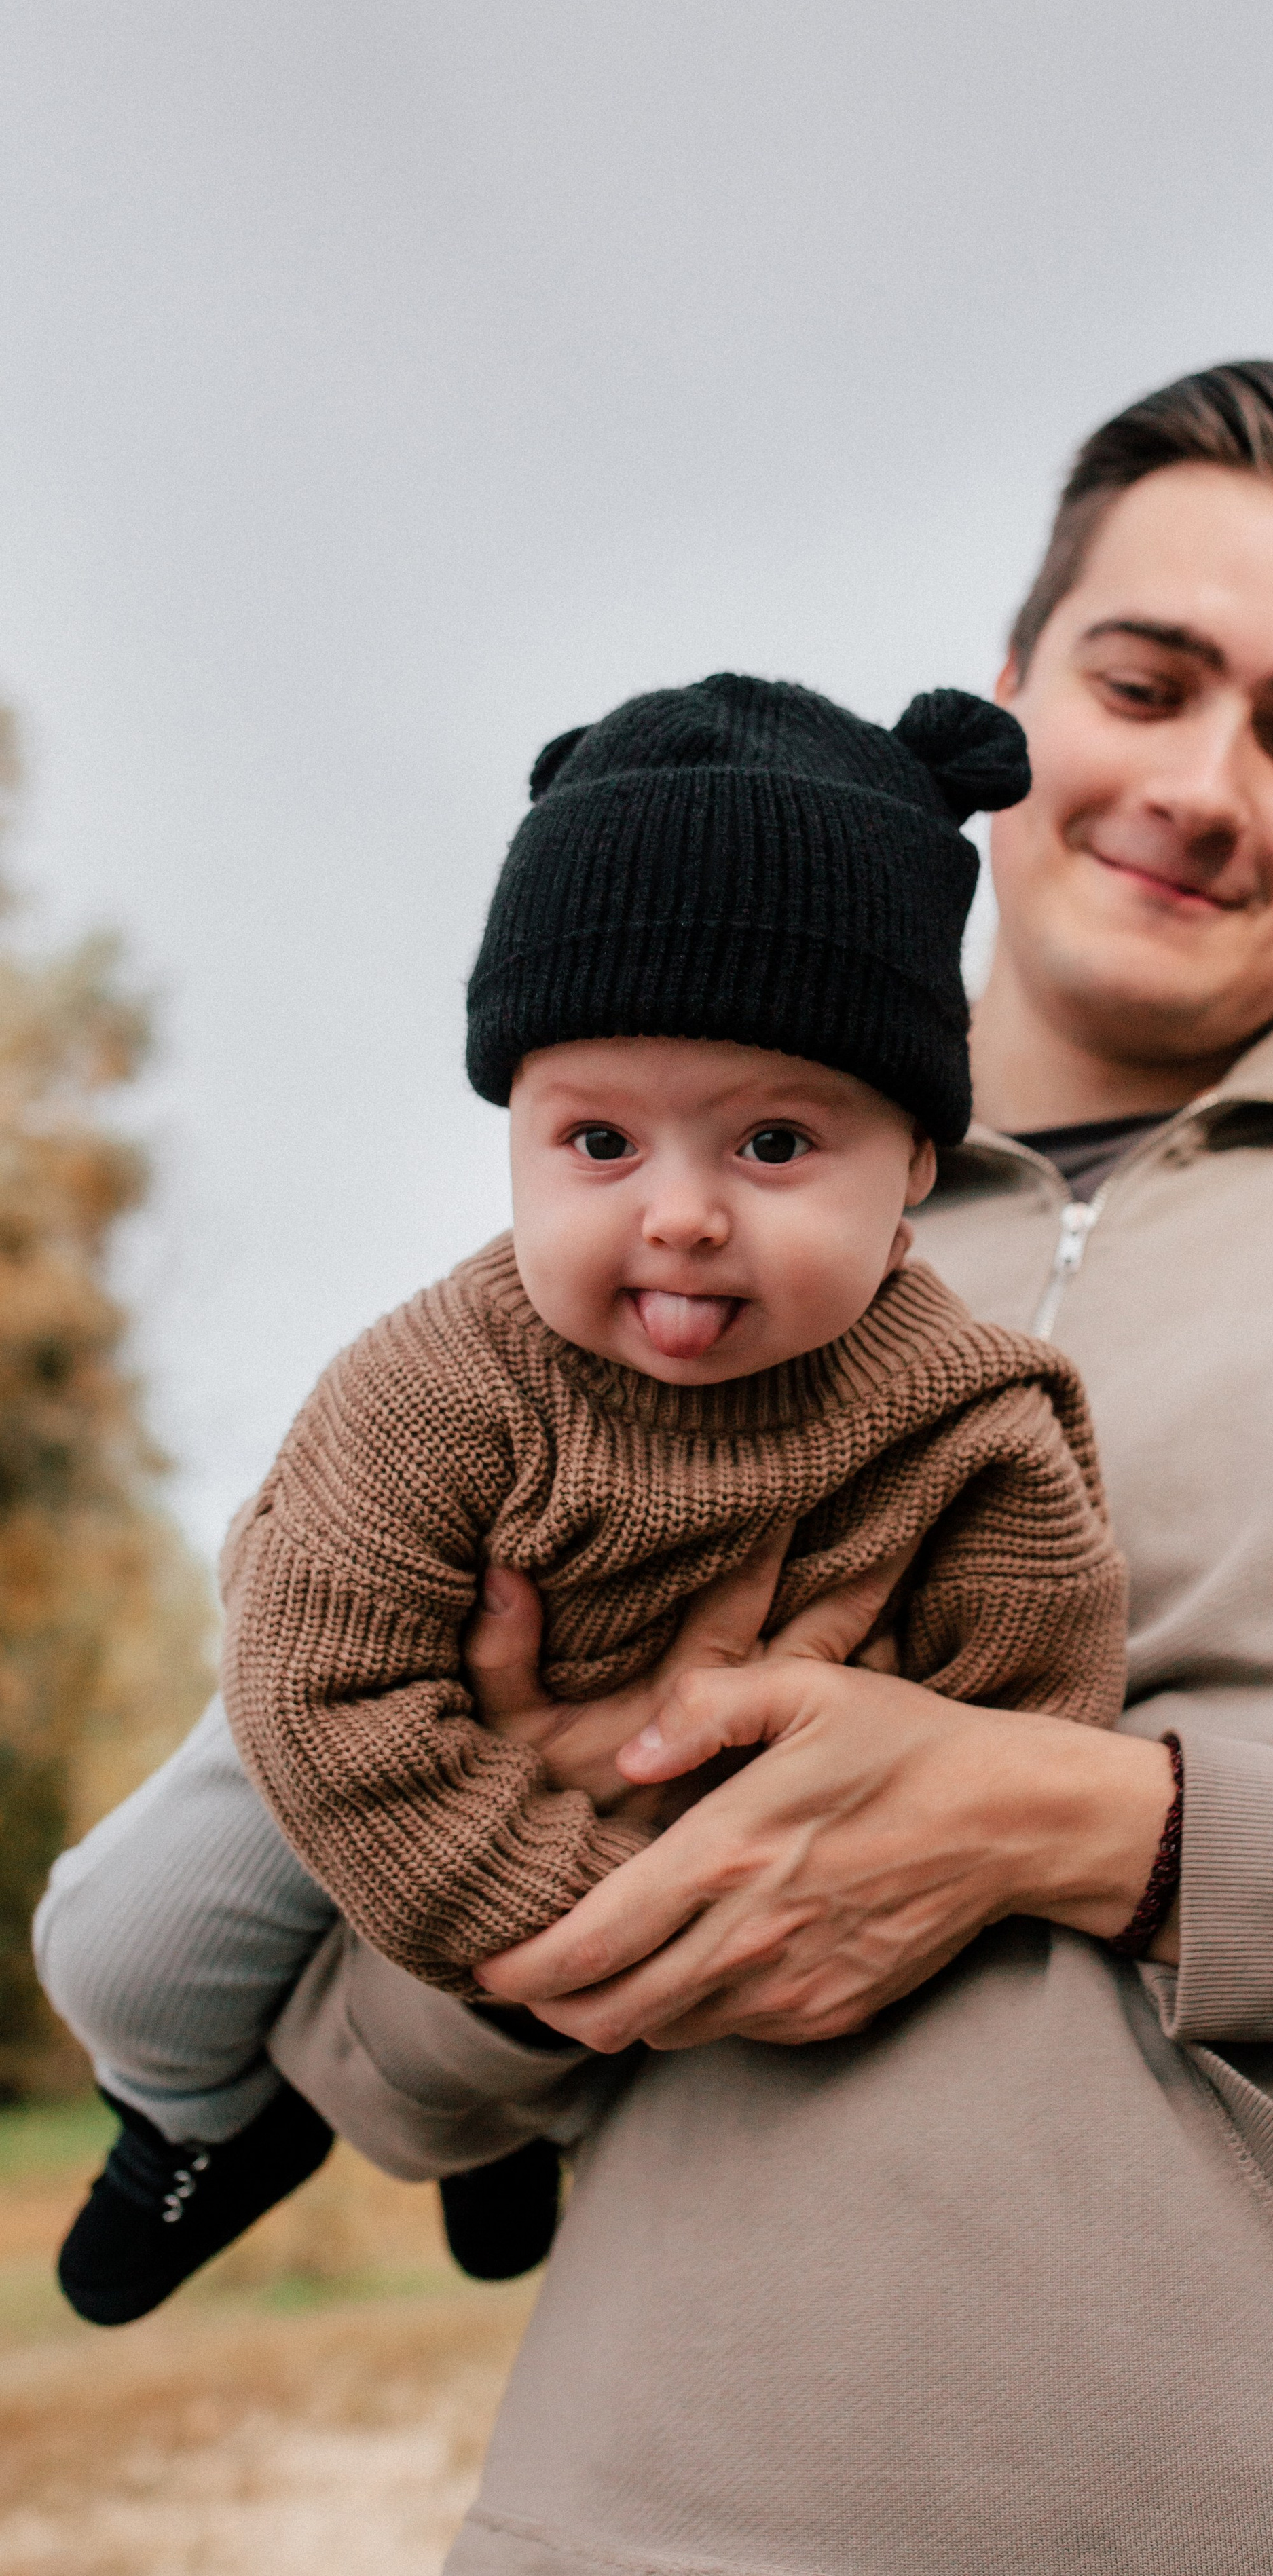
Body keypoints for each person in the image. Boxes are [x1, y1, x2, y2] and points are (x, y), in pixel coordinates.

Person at [55, 359, 1273, 2573]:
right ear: (1011, 696)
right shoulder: (655, 1274)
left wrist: (1095, 1821)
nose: (1209, 785)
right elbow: (372, 2062)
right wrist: (559, 1830)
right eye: (1148, 681)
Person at [35, 674, 1132, 2326]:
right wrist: (566, 1921)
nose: (680, 1215)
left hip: (703, 1791)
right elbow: (321, 1695)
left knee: (541, 2008)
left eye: (773, 1142)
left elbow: (1033, 1700)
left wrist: (886, 1790)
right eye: (600, 1140)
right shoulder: (440, 1385)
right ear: (516, 1137)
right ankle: (201, 2128)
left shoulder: (966, 1416)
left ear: (914, 1158)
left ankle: (497, 2129)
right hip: (369, 1683)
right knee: (115, 1946)